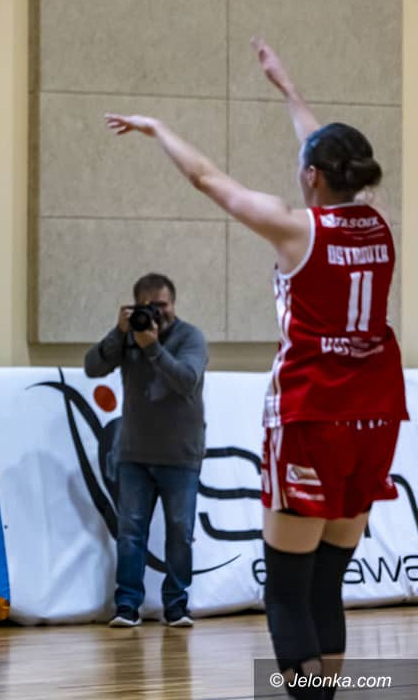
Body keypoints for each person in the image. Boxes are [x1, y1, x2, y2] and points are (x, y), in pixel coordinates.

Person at [104, 39, 407, 698]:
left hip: (313, 413)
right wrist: (289, 90)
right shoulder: (380, 222)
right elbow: (326, 157)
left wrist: (158, 128)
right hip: (377, 414)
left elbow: (208, 179)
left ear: (312, 177)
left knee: (288, 591)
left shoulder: (297, 230)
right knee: (326, 584)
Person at [84, 273, 208, 628]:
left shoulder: (190, 337)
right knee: (130, 534)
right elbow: (92, 367)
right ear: (134, 306)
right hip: (134, 455)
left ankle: (176, 606)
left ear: (174, 304)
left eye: (161, 305)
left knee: (180, 533)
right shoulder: (128, 337)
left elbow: (186, 380)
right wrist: (119, 332)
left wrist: (152, 348)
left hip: (181, 455)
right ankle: (127, 606)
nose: (156, 313)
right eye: (147, 306)